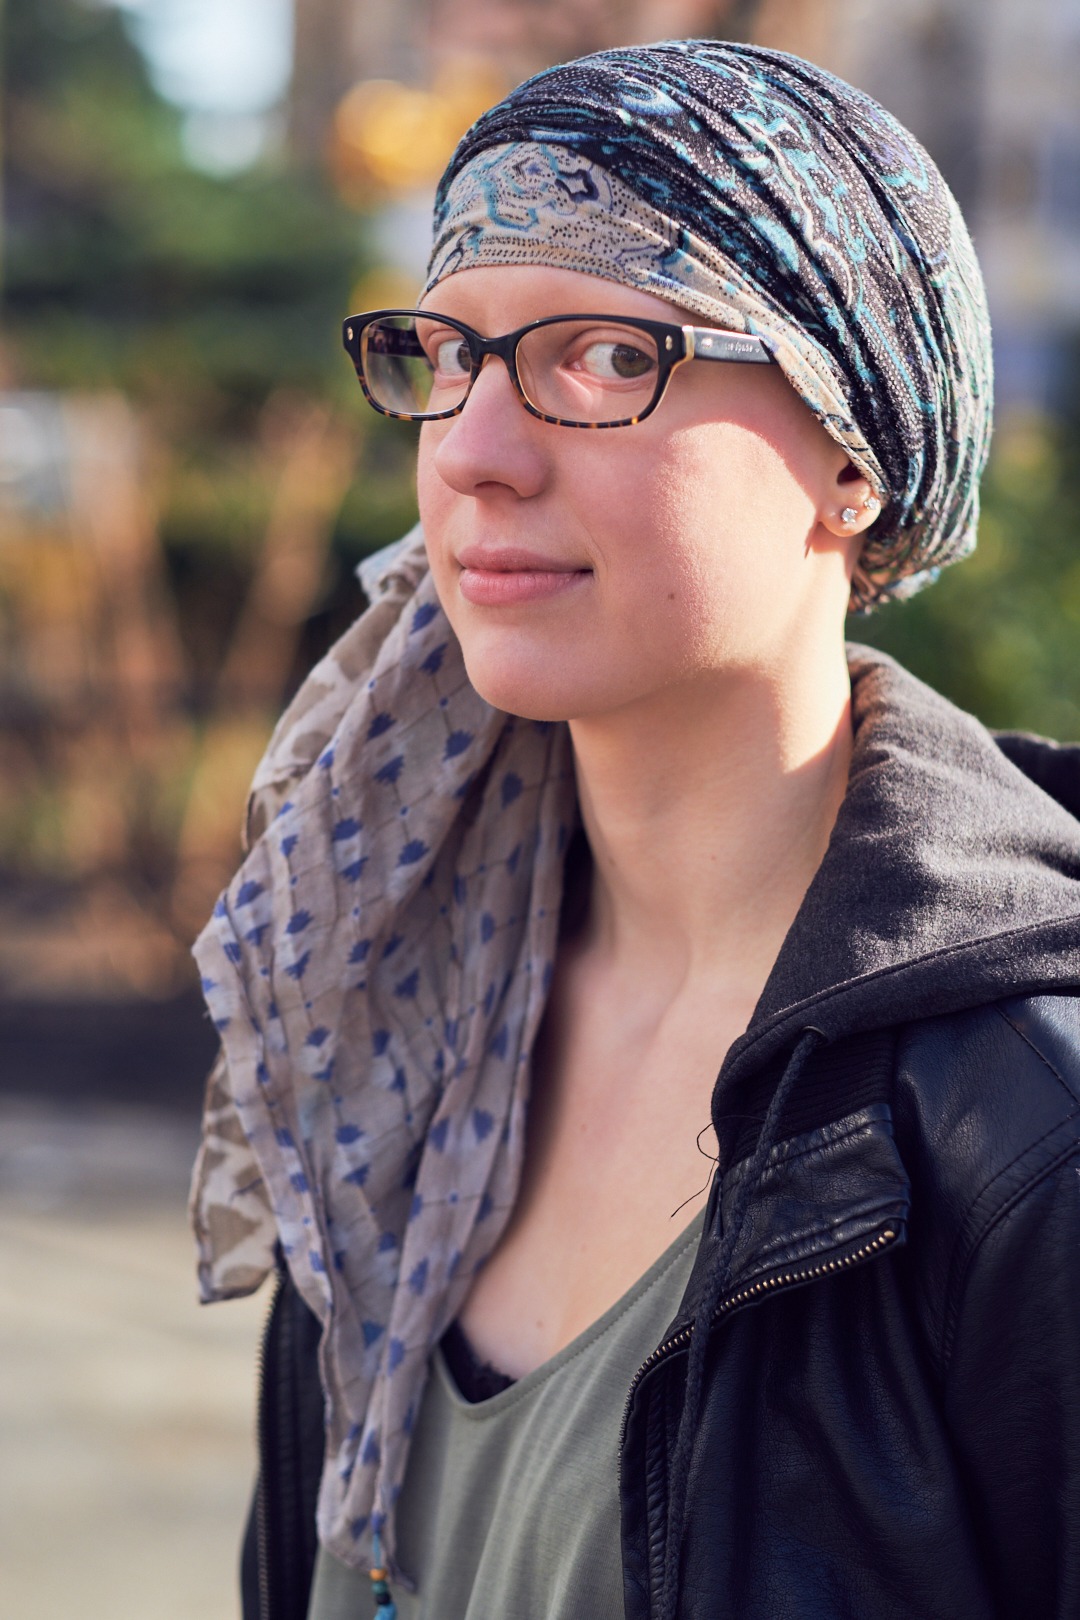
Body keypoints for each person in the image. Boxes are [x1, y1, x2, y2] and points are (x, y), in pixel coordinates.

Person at [190, 39, 1080, 1620]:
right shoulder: (370, 994)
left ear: (854, 455)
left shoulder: (1022, 1132)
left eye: (605, 356)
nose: (471, 450)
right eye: (443, 354)